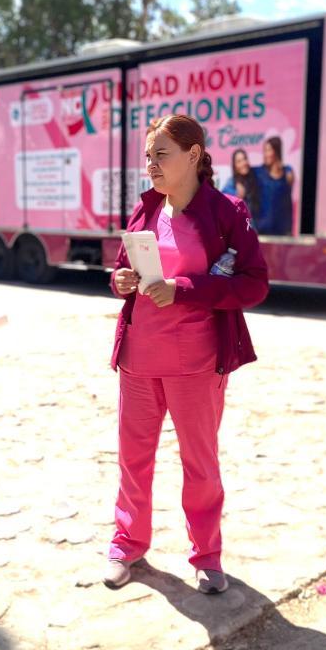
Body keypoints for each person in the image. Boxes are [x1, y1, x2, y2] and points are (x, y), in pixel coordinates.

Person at [107, 114, 269, 594]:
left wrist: (183, 289)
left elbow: (254, 284)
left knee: (200, 465)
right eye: (148, 156)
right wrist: (120, 282)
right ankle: (127, 544)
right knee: (133, 459)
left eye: (161, 154)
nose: (151, 165)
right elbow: (122, 270)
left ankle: (206, 555)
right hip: (139, 359)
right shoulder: (145, 210)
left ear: (193, 156)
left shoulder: (227, 213)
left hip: (197, 365)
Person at [252, 136, 294, 235]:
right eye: (264, 151)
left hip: (283, 232)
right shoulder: (258, 172)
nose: (265, 154)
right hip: (262, 231)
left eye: (268, 150)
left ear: (277, 151)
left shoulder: (287, 173)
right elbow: (241, 175)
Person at [221, 148, 261, 219]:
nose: (243, 163)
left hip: (257, 226)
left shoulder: (254, 176)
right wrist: (237, 196)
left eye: (244, 159)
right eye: (239, 161)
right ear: (235, 166)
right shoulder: (231, 183)